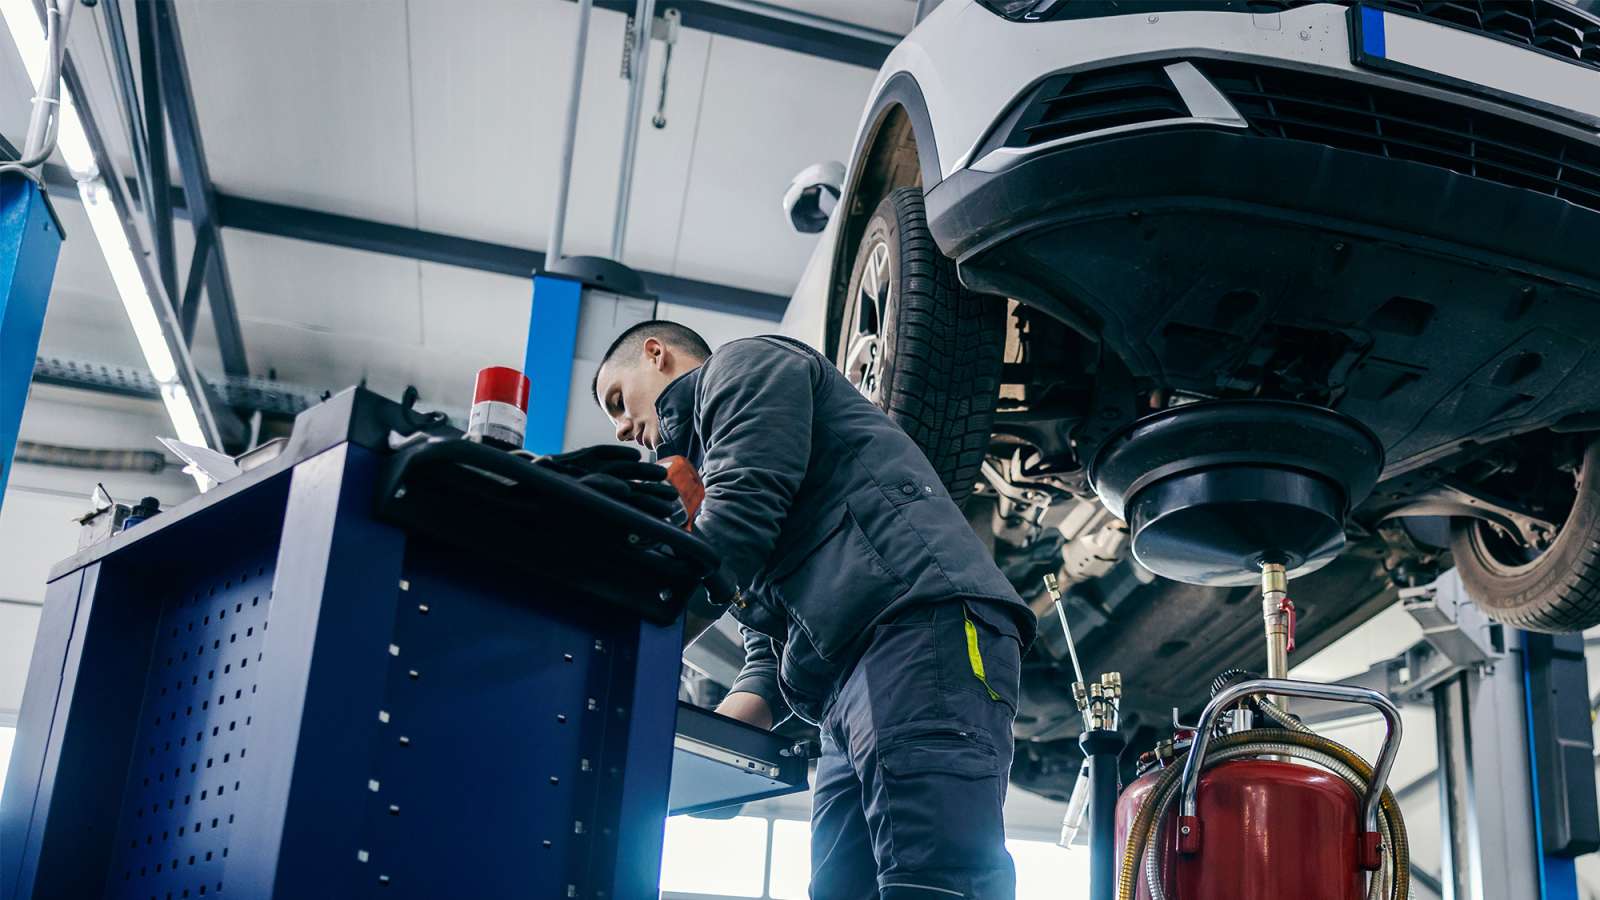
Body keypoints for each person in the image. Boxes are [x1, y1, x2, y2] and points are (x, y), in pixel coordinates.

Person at [592, 321, 1037, 900]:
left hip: (916, 628)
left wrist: (624, 642)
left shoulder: (747, 365)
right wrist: (706, 758)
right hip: (841, 686)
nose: (623, 429)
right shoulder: (712, 470)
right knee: (839, 889)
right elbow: (765, 650)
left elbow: (742, 515)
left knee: (935, 879)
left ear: (657, 355)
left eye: (617, 403)